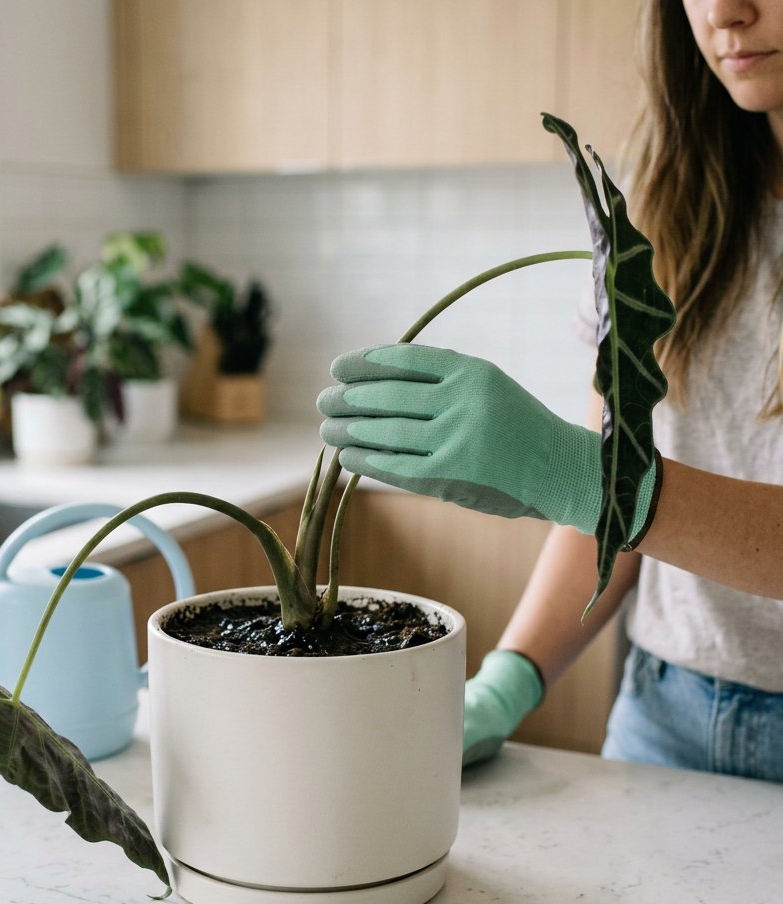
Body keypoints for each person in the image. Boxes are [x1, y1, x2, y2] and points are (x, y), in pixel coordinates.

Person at [317, 0, 783, 784]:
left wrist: (573, 474)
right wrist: (508, 681)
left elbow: (603, 487)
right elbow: (608, 503)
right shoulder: (667, 209)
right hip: (663, 717)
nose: (726, 11)